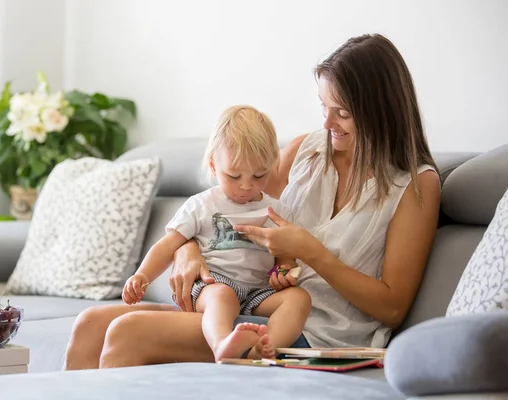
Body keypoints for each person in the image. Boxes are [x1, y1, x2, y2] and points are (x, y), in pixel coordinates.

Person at [64, 33, 441, 370]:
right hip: (248, 307)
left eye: (342, 112)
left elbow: (392, 307)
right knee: (89, 325)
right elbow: (233, 204)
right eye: (323, 107)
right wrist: (189, 248)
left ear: (381, 110)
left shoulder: (415, 185)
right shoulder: (305, 152)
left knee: (129, 331)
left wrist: (311, 252)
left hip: (321, 336)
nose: (327, 123)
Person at [121, 105, 311, 361]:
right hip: (215, 285)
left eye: (259, 175)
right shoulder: (202, 205)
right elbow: (168, 246)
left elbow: (285, 258)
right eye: (234, 176)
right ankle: (222, 345)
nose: (246, 186)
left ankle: (265, 349)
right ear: (212, 165)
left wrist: (283, 274)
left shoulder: (276, 210)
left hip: (259, 292)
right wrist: (141, 275)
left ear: (272, 165)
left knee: (299, 298)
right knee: (223, 296)